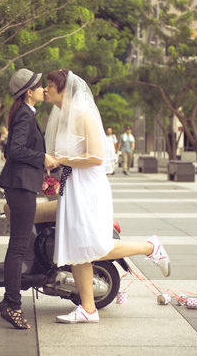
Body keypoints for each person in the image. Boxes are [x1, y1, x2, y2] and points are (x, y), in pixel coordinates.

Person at [44, 69, 170, 324]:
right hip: (70, 183)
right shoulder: (61, 117)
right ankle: (88, 309)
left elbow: (96, 157)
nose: (45, 89)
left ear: (64, 90)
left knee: (95, 244)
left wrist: (60, 160)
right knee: (76, 247)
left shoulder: (83, 113)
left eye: (49, 85)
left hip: (88, 186)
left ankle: (150, 247)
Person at [0, 68, 58, 329]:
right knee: (18, 247)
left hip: (22, 185)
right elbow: (15, 150)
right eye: (39, 85)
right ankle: (11, 304)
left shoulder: (27, 113)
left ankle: (9, 301)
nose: (43, 88)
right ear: (29, 92)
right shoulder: (24, 114)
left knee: (18, 245)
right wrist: (42, 158)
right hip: (20, 187)